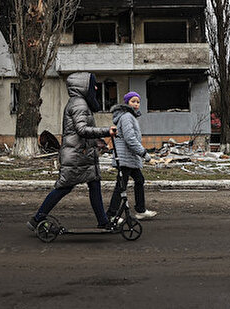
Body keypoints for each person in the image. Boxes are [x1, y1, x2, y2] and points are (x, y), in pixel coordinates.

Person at [27, 72, 117, 230]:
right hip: (76, 155)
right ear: (84, 87)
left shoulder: (80, 103)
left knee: (94, 184)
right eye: (92, 85)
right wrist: (105, 131)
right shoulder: (79, 104)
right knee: (64, 187)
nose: (95, 88)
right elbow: (82, 130)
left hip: (82, 153)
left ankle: (103, 222)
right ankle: (37, 218)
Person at [107, 91, 157, 220]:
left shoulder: (131, 117)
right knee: (121, 186)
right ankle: (111, 215)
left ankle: (140, 210)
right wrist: (144, 153)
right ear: (127, 103)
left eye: (138, 102)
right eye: (133, 101)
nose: (136, 104)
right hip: (125, 158)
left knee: (139, 180)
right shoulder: (127, 117)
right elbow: (130, 139)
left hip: (130, 157)